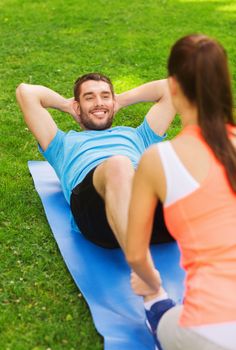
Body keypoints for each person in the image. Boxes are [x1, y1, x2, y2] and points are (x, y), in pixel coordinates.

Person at [125, 34, 236, 350]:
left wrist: (151, 283)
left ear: (173, 87)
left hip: (210, 331)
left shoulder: (157, 160)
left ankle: (156, 302)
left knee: (158, 305)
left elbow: (135, 253)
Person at [16, 73, 175, 252]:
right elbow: (26, 92)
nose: (99, 102)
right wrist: (67, 106)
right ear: (78, 106)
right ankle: (139, 261)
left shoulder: (138, 135)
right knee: (119, 165)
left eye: (105, 96)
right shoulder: (61, 144)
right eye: (89, 98)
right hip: (97, 213)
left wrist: (119, 100)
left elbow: (171, 87)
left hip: (148, 209)